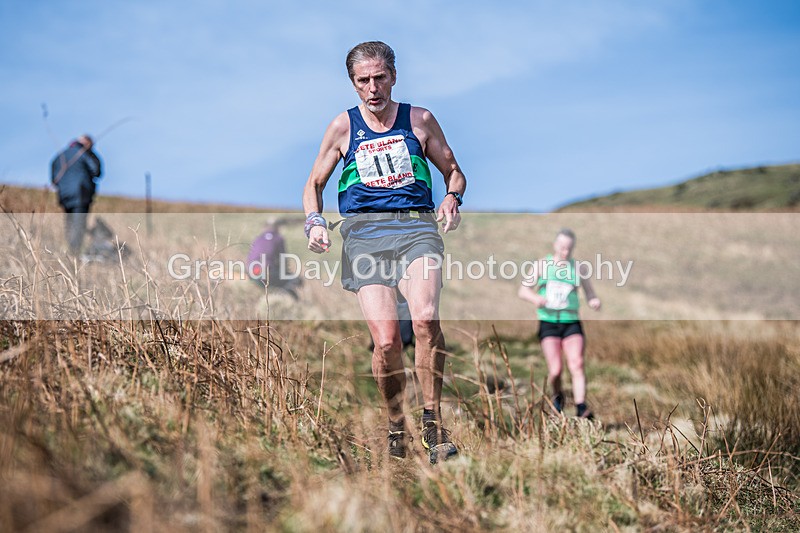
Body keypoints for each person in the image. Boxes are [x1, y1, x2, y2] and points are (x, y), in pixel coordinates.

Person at [302, 41, 466, 463]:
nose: (372, 88)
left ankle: (432, 424)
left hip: (415, 230)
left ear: (393, 76)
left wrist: (452, 198)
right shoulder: (343, 127)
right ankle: (396, 422)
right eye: (363, 81)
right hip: (365, 237)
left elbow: (454, 172)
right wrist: (314, 220)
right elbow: (314, 184)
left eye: (380, 78)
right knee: (388, 341)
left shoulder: (419, 120)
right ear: (353, 83)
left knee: (425, 318)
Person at [518, 228, 601, 419]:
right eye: (562, 247)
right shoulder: (542, 265)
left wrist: (594, 301)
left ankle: (581, 407)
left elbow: (590, 293)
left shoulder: (578, 268)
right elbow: (523, 290)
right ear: (555, 245)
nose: (565, 251)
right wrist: (536, 299)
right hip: (549, 323)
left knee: (577, 363)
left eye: (569, 248)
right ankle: (558, 396)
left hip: (571, 322)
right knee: (555, 370)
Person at [50, 135, 102, 255]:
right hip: (81, 194)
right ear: (87, 144)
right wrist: (91, 154)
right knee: (78, 224)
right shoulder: (84, 154)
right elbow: (96, 171)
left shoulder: (60, 156)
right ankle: (75, 254)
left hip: (64, 195)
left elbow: (54, 178)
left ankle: (69, 251)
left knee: (70, 223)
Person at [247, 219, 301, 299]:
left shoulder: (258, 238)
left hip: (251, 272)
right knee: (293, 279)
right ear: (277, 228)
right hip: (267, 271)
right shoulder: (278, 238)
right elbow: (283, 259)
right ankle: (284, 299)